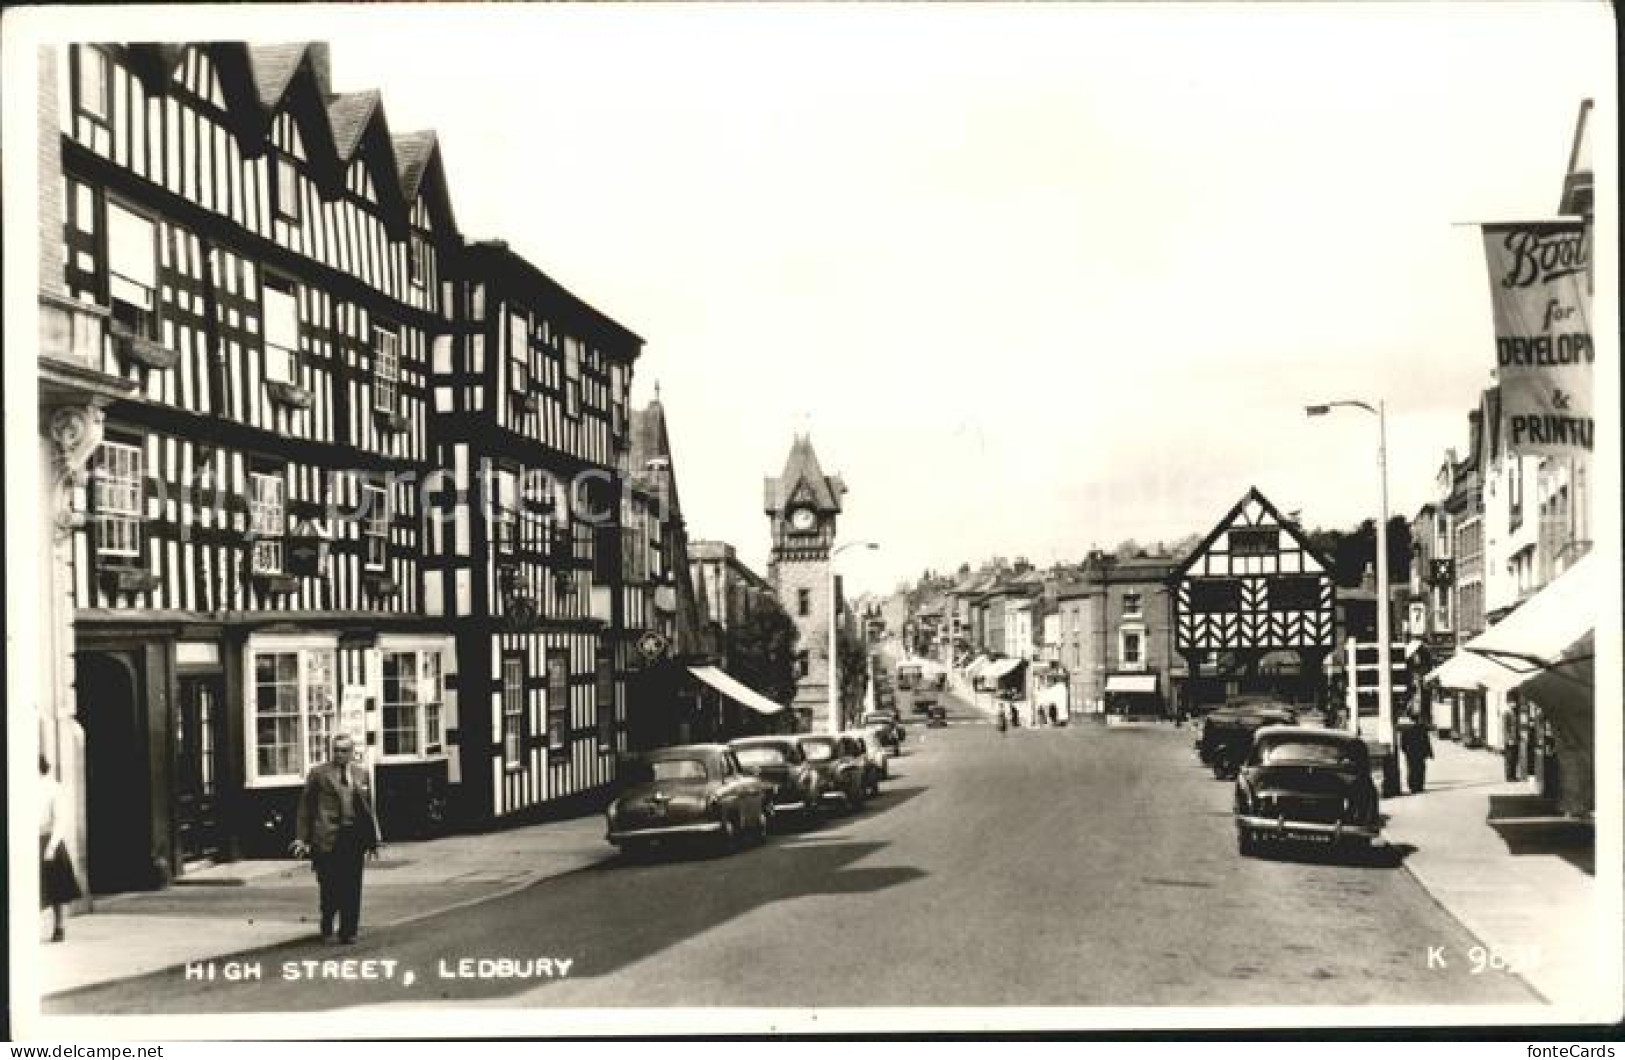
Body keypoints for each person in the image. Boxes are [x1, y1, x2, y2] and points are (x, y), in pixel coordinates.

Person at [291, 734, 379, 944]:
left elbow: (368, 808)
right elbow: (305, 808)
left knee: (352, 884)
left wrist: (372, 839)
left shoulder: (361, 774)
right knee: (329, 884)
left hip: (353, 836)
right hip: (327, 836)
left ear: (352, 752)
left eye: (344, 750)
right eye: (336, 750)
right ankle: (327, 921)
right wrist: (302, 838)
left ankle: (349, 930)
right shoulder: (318, 774)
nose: (339, 754)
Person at [39, 756, 81, 942]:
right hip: (28, 839)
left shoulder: (53, 788)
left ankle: (59, 926)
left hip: (48, 839)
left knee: (57, 888)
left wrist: (52, 846)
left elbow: (60, 820)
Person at [1399, 694, 1433, 794]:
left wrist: (1405, 750)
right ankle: (1419, 785)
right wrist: (1429, 752)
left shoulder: (1407, 729)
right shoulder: (1421, 729)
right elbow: (1426, 741)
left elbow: (1403, 742)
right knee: (1420, 768)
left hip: (1411, 752)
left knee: (1411, 768)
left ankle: (1413, 786)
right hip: (1420, 753)